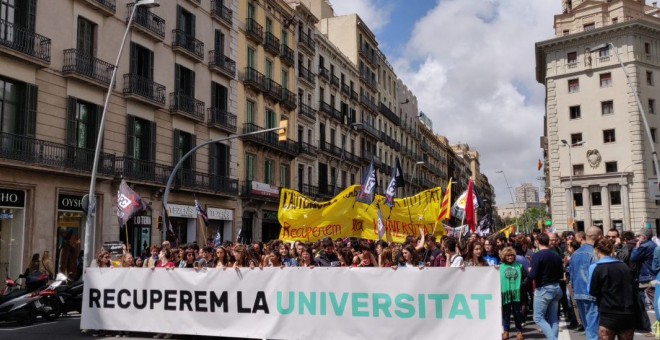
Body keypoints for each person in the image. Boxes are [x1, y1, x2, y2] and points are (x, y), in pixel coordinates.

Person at [588, 238, 636, 340]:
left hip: (608, 311)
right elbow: (633, 287)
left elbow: (592, 291)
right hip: (627, 311)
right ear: (612, 249)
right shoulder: (624, 266)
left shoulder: (596, 267)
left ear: (596, 250)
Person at [528, 233, 563, 340]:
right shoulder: (556, 255)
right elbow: (561, 274)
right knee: (553, 318)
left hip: (544, 288)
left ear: (537, 242)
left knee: (538, 317)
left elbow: (533, 275)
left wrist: (529, 270)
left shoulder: (537, 255)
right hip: (556, 287)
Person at [569, 226, 601, 340]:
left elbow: (571, 274)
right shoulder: (595, 252)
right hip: (591, 293)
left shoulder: (575, 253)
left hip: (578, 292)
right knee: (593, 328)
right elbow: (598, 274)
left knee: (588, 326)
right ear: (598, 237)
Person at [631, 227, 656, 335]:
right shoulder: (653, 245)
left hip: (646, 277)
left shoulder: (645, 246)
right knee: (653, 302)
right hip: (652, 275)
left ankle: (646, 327)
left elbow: (633, 257)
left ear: (643, 237)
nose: (638, 238)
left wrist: (637, 247)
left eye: (639, 236)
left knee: (642, 302)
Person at [500, 246, 526, 340]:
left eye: (511, 255)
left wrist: (521, 285)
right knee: (506, 314)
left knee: (517, 313)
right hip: (505, 294)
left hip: (517, 294)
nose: (510, 257)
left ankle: (519, 332)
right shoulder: (500, 267)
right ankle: (506, 331)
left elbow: (526, 277)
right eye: (508, 256)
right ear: (504, 256)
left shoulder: (519, 266)